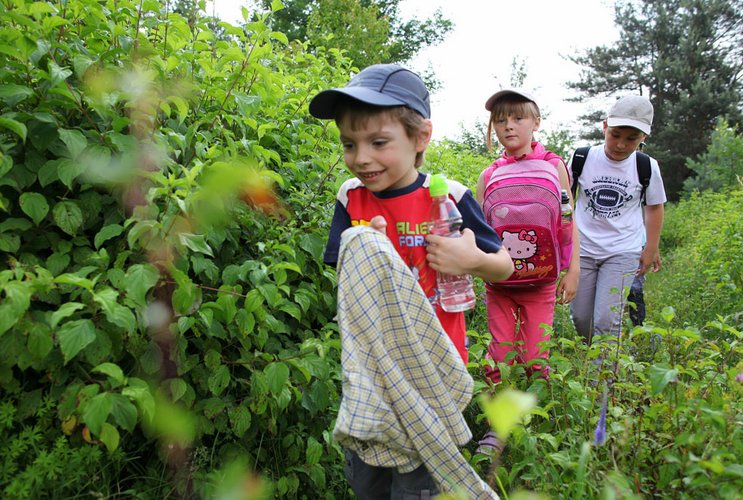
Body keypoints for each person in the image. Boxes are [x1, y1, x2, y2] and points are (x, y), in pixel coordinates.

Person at [309, 63, 512, 498]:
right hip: (374, 368)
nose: (361, 157)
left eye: (378, 142)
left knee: (419, 482)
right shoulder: (350, 197)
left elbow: (505, 265)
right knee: (369, 475)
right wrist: (369, 248)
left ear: (420, 137)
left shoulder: (449, 197)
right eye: (349, 144)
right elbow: (346, 276)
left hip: (433, 366)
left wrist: (471, 259)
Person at [474, 89, 580, 386]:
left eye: (518, 118)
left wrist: (574, 270)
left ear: (536, 122)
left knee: (535, 356)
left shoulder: (554, 166)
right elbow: (482, 231)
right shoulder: (489, 175)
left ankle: (534, 406)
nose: (508, 126)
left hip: (542, 281)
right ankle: (496, 408)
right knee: (499, 355)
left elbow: (569, 219)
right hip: (500, 282)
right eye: (500, 120)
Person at [570, 95, 666, 344]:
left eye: (631, 138)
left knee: (607, 320)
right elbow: (566, 200)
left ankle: (604, 368)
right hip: (583, 249)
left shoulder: (647, 166)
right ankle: (591, 358)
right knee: (581, 317)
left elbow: (655, 207)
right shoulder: (582, 158)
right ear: (604, 126)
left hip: (623, 250)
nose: (621, 144)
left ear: (644, 137)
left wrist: (651, 247)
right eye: (615, 135)